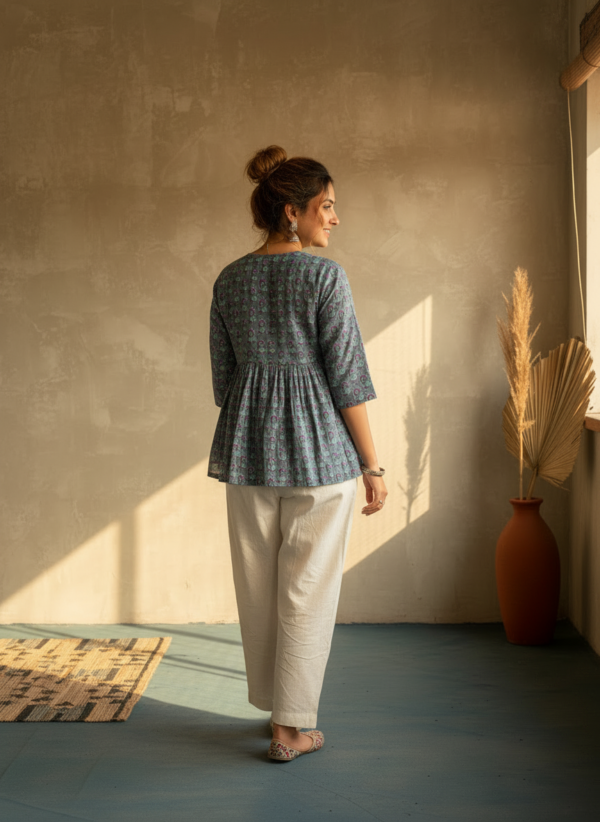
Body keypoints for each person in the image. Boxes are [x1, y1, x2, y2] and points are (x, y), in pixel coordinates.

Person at [208, 145, 387, 762]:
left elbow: (223, 382)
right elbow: (348, 378)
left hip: (248, 455)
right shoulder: (323, 278)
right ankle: (293, 726)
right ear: (293, 212)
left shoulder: (229, 279)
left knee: (258, 586)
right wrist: (372, 465)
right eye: (327, 207)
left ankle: (274, 711)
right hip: (321, 459)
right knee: (306, 589)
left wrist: (261, 414)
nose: (334, 218)